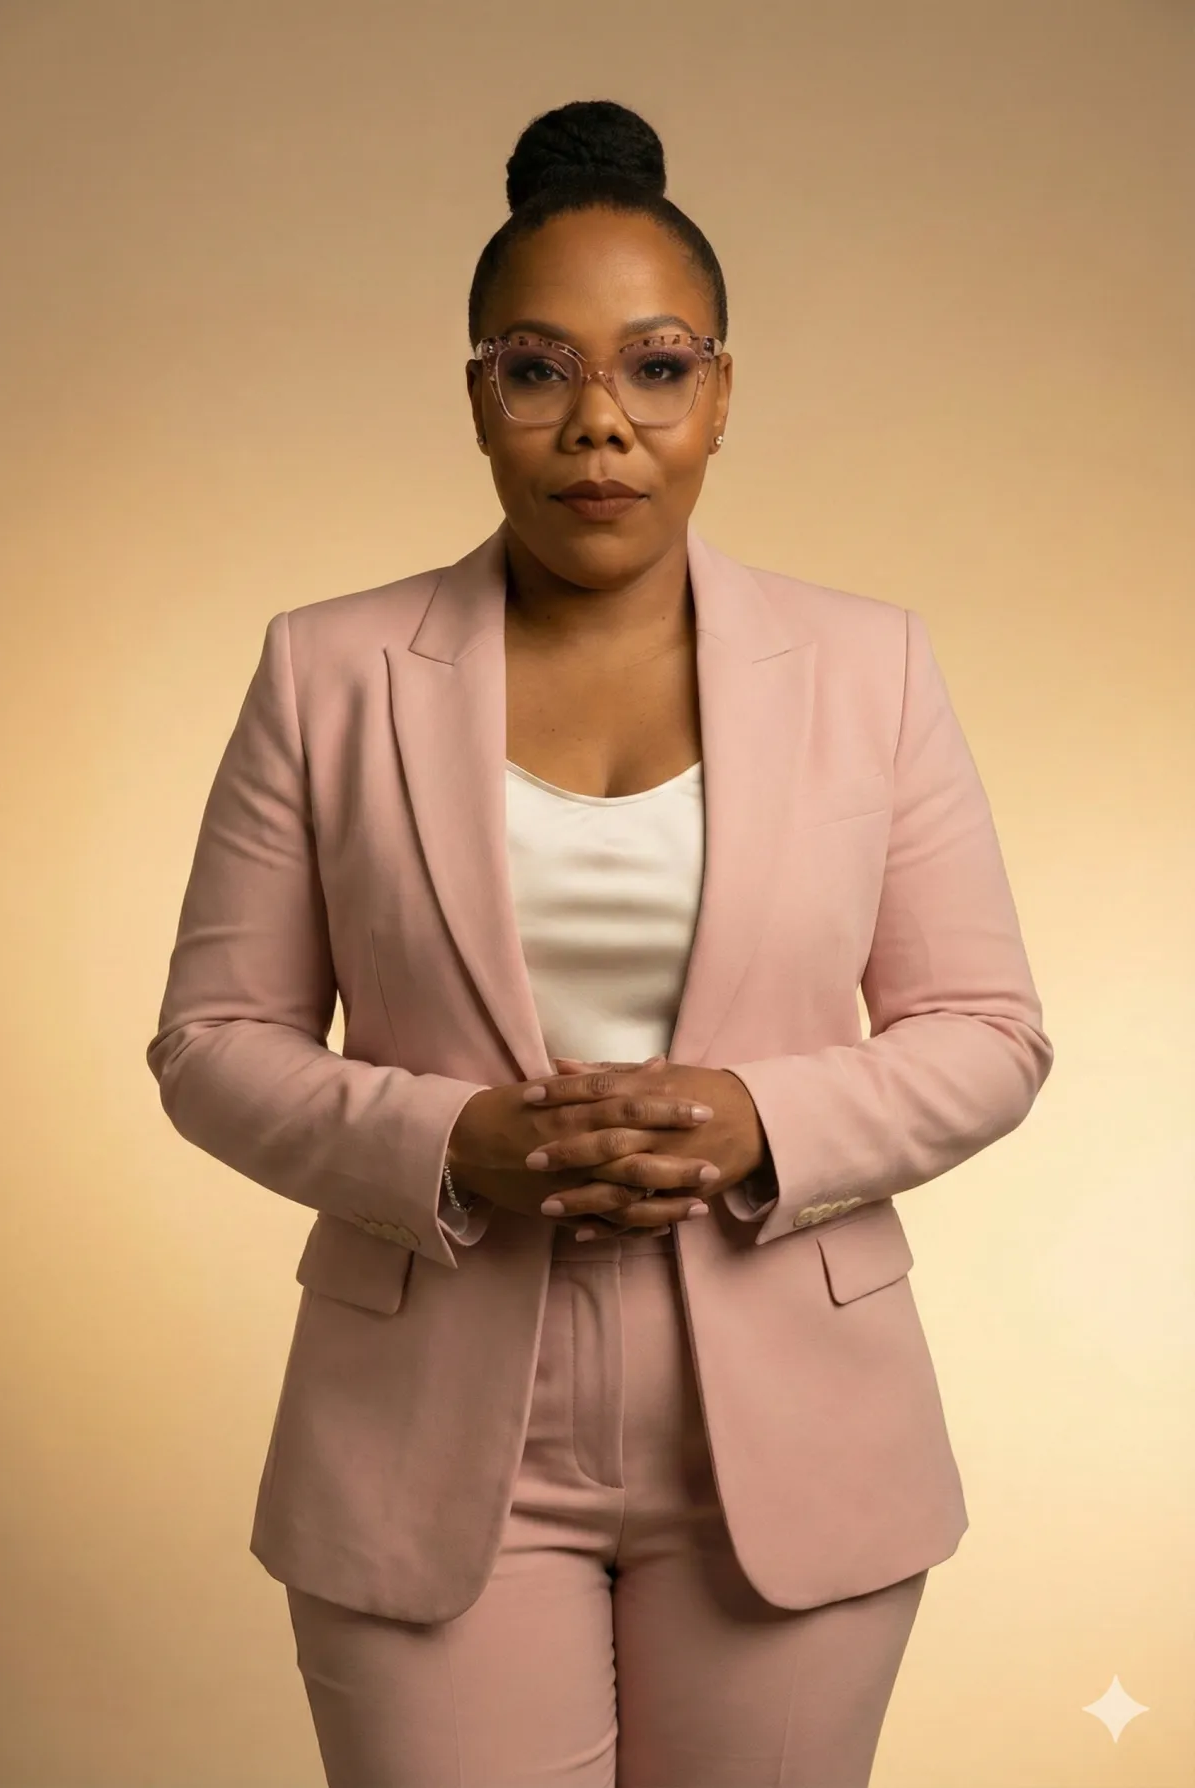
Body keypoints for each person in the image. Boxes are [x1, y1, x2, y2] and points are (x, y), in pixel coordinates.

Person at [146, 98, 1053, 1788]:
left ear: (721, 393)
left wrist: (764, 1120)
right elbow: (213, 1040)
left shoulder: (874, 670)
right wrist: (446, 1137)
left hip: (788, 1419)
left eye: (654, 367)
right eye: (537, 369)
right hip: (424, 1428)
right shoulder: (326, 672)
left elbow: (988, 1028)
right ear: (478, 397)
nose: (598, 428)